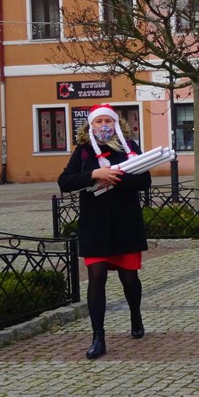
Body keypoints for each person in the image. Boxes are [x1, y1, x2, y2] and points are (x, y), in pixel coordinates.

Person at [57, 104, 151, 359]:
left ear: (116, 124)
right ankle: (98, 337)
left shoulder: (130, 148)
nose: (102, 126)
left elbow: (145, 181)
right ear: (90, 126)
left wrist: (117, 176)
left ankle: (136, 315)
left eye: (106, 121)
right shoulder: (84, 151)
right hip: (95, 225)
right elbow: (65, 182)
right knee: (96, 277)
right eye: (97, 122)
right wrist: (94, 174)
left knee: (129, 279)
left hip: (125, 224)